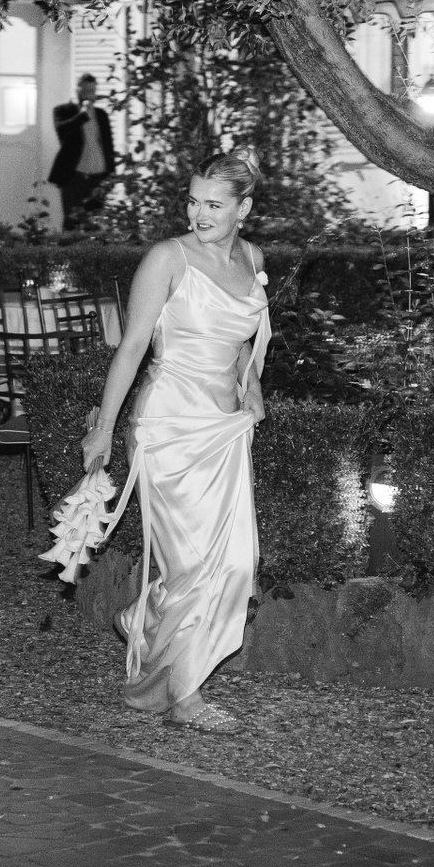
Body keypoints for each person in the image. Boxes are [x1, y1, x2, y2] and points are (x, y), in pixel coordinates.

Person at [81, 149, 271, 734]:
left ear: (243, 208)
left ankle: (142, 618)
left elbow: (241, 337)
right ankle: (184, 697)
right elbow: (132, 346)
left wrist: (253, 386)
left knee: (235, 563)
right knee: (189, 566)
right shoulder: (167, 257)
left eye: (214, 204)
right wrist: (104, 427)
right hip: (167, 427)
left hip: (224, 429)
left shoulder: (253, 258)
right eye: (193, 201)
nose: (199, 214)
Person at [48, 74, 117, 230]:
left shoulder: (101, 115)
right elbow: (62, 132)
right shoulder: (63, 111)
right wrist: (82, 115)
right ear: (77, 90)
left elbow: (108, 146)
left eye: (92, 91)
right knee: (72, 223)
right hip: (74, 178)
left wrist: (111, 176)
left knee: (94, 224)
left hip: (98, 179)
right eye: (85, 90)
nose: (89, 95)